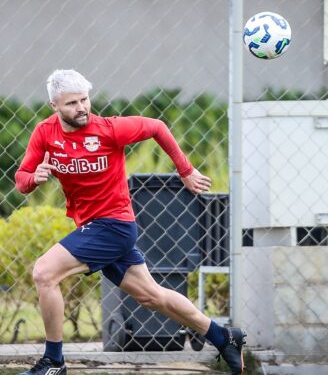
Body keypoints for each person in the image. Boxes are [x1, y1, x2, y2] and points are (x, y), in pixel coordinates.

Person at [14, 69, 246, 375]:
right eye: (71, 103)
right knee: (151, 296)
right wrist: (34, 177)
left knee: (45, 273)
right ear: (54, 106)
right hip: (93, 226)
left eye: (84, 99)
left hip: (114, 225)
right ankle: (224, 336)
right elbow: (21, 180)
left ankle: (54, 362)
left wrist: (186, 170)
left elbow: (157, 127)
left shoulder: (109, 129)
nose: (81, 107)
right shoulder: (45, 133)